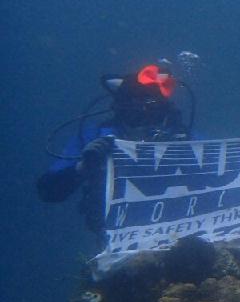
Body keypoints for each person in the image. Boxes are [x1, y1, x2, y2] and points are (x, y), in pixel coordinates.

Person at [38, 64, 192, 232]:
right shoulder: (95, 136)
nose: (145, 115)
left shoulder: (182, 137)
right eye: (139, 104)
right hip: (116, 237)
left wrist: (186, 152)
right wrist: (83, 167)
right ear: (123, 105)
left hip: (178, 232)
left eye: (154, 105)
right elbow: (48, 191)